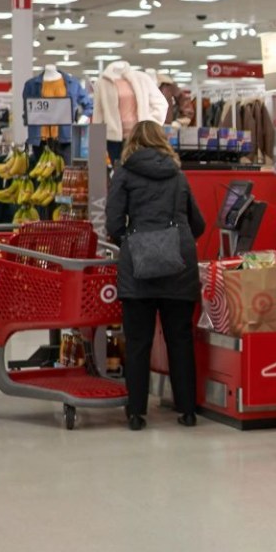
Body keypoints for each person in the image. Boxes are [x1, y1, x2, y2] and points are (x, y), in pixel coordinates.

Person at [105, 120, 206, 430]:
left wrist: (134, 240)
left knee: (138, 342)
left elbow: (113, 223)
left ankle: (136, 414)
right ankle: (187, 411)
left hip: (139, 268)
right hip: (179, 265)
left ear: (132, 142)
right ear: (163, 141)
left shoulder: (123, 173)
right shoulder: (178, 176)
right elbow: (198, 224)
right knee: (180, 339)